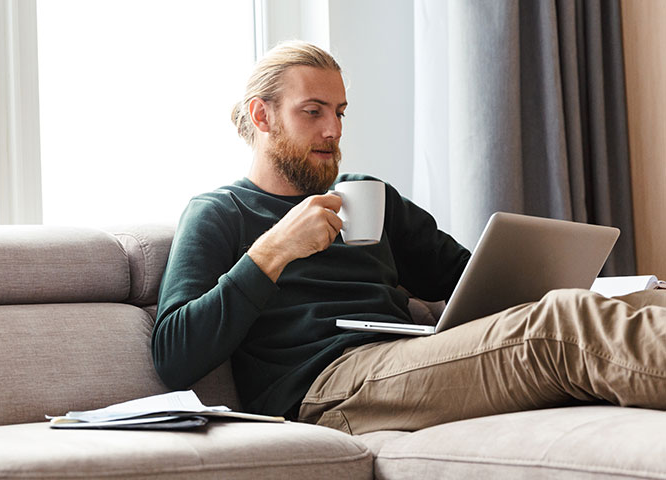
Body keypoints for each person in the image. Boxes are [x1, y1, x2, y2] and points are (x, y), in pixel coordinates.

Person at [152, 40, 666, 435]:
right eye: (313, 111)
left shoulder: (367, 196)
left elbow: (471, 277)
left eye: (340, 112)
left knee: (647, 298)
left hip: (410, 359)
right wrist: (275, 248)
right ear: (262, 115)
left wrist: (581, 284)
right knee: (558, 325)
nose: (333, 129)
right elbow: (175, 355)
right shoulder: (221, 212)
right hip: (329, 388)